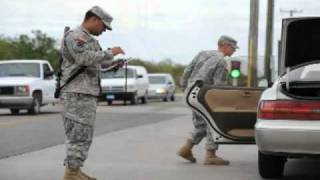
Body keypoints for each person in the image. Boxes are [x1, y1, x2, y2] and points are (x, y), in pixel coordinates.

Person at [59, 6, 125, 180]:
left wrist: (112, 64)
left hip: (84, 94)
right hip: (76, 94)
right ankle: (71, 173)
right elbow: (84, 58)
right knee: (79, 135)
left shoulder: (89, 39)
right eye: (103, 26)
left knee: (83, 135)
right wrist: (110, 52)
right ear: (94, 19)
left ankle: (74, 170)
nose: (103, 31)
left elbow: (93, 64)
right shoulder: (76, 36)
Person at [177, 35, 238, 165]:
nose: (234, 51)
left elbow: (187, 71)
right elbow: (218, 88)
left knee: (202, 124)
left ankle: (186, 148)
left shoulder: (203, 54)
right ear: (225, 45)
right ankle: (210, 155)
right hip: (204, 96)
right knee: (213, 123)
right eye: (233, 48)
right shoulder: (221, 62)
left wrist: (185, 88)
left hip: (190, 94)